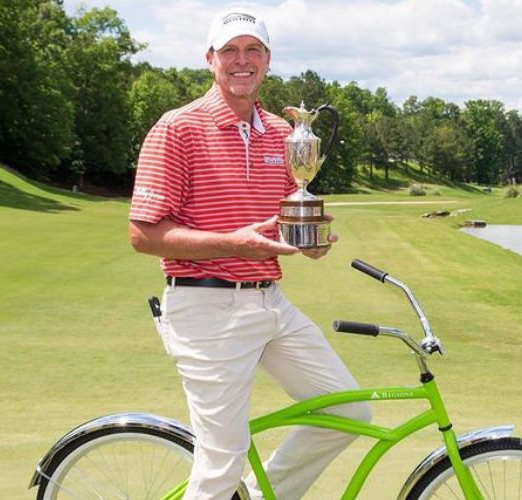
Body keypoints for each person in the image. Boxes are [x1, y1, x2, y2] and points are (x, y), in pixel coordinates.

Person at [128, 7, 371, 500]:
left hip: (268, 300)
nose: (242, 60)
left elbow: (285, 222)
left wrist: (312, 242)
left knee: (346, 411)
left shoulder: (284, 135)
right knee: (221, 465)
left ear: (267, 60)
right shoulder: (177, 128)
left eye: (253, 50)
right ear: (210, 59)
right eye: (230, 51)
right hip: (204, 306)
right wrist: (234, 242)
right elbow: (144, 234)